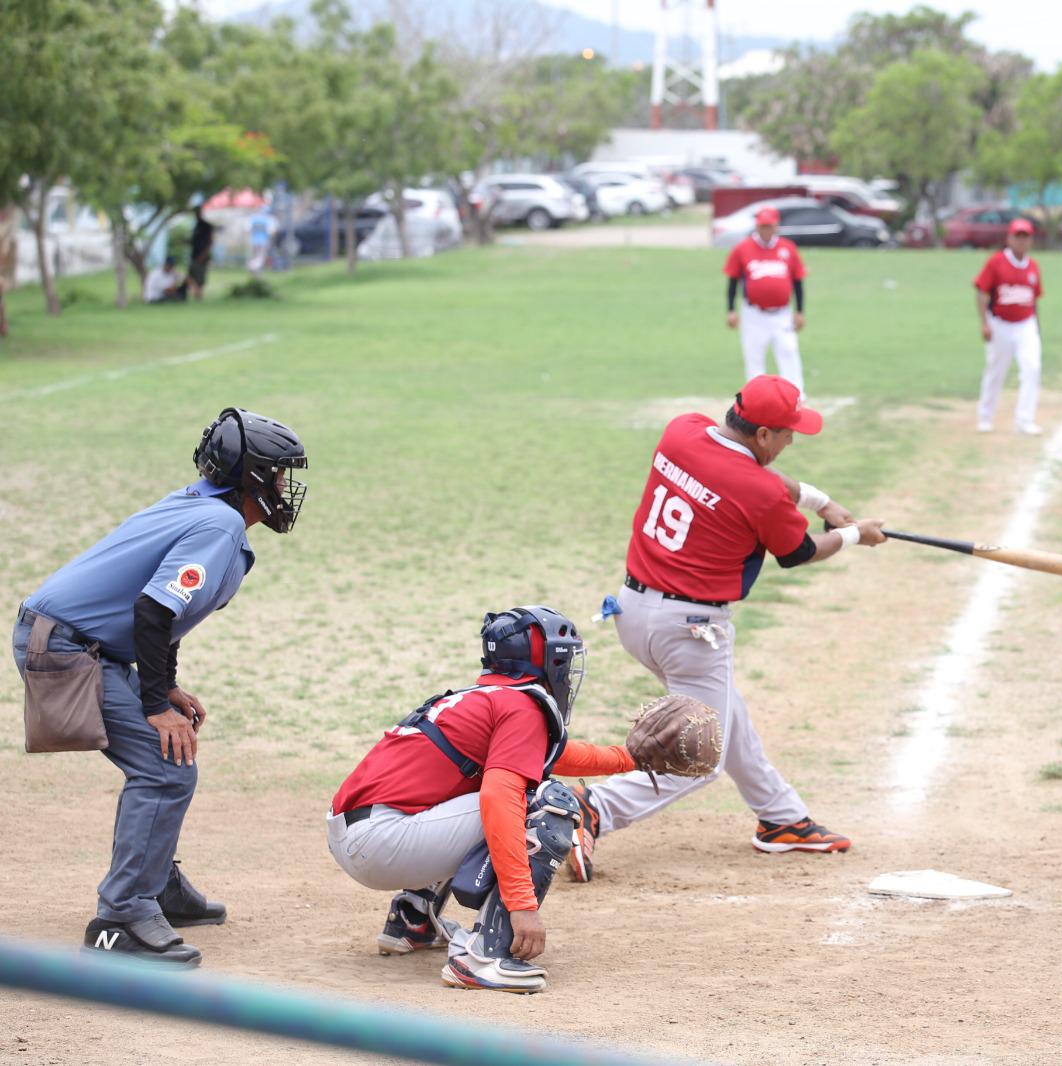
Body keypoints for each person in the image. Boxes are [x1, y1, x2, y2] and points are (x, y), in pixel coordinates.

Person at [12, 409, 308, 966]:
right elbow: (153, 608)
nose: (284, 488)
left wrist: (163, 686)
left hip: (81, 641)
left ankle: (157, 887)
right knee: (164, 764)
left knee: (168, 759)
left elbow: (159, 610)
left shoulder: (201, 506)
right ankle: (120, 916)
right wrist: (153, 704)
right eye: (277, 475)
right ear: (250, 480)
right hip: (66, 647)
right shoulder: (219, 525)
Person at [567, 375, 886, 883]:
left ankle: (781, 819)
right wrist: (853, 535)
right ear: (762, 435)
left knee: (725, 712)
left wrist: (819, 500)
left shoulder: (683, 431)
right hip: (690, 631)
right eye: (786, 434)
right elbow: (799, 552)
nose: (790, 442)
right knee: (702, 754)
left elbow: (746, 478)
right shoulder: (759, 490)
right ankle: (591, 807)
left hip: (633, 610)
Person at [328, 606, 650, 994]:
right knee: (545, 801)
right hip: (383, 841)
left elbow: (550, 757)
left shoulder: (487, 700)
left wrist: (632, 758)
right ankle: (485, 955)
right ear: (549, 662)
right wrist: (522, 906)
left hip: (364, 833)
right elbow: (501, 799)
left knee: (493, 788)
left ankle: (413, 920)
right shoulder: (520, 707)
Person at [973, 217, 1045, 435]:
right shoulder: (996, 262)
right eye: (1017, 236)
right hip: (1000, 324)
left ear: (1031, 240)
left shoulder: (1033, 266)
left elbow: (1034, 300)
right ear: (1009, 238)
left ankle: (1025, 420)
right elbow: (981, 293)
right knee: (996, 371)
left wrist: (1037, 327)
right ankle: (985, 415)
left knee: (1032, 369)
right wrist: (985, 323)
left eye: (1025, 237)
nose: (1021, 241)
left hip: (1026, 325)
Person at [724, 207, 806, 393]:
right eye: (762, 226)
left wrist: (800, 311)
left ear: (776, 226)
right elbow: (733, 281)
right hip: (754, 313)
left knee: (788, 351)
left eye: (769, 226)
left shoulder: (788, 248)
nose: (765, 230)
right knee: (754, 356)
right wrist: (731, 310)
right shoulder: (743, 248)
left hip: (782, 313)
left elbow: (798, 281)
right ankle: (756, 398)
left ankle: (796, 395)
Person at [186, 205, 214, 300]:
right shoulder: (196, 225)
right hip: (194, 255)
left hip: (201, 257)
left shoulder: (206, 226)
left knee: (199, 280)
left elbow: (209, 243)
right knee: (191, 278)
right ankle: (195, 296)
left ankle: (199, 297)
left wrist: (203, 256)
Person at [247, 204, 277, 276]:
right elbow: (271, 232)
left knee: (256, 256)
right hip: (264, 241)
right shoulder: (268, 219)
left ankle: (257, 273)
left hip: (254, 241)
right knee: (261, 257)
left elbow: (248, 229)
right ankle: (252, 266)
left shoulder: (253, 218)